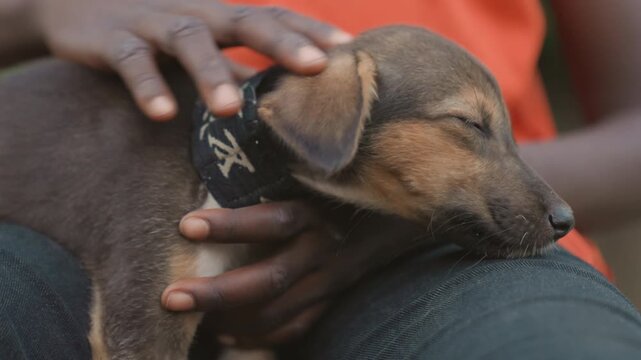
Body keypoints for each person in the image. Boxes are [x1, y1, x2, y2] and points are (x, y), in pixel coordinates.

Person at [2, 0, 641, 358]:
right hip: (96, 202)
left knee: (553, 348)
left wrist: (396, 212)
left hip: (441, 251)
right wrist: (35, 11)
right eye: (468, 126)